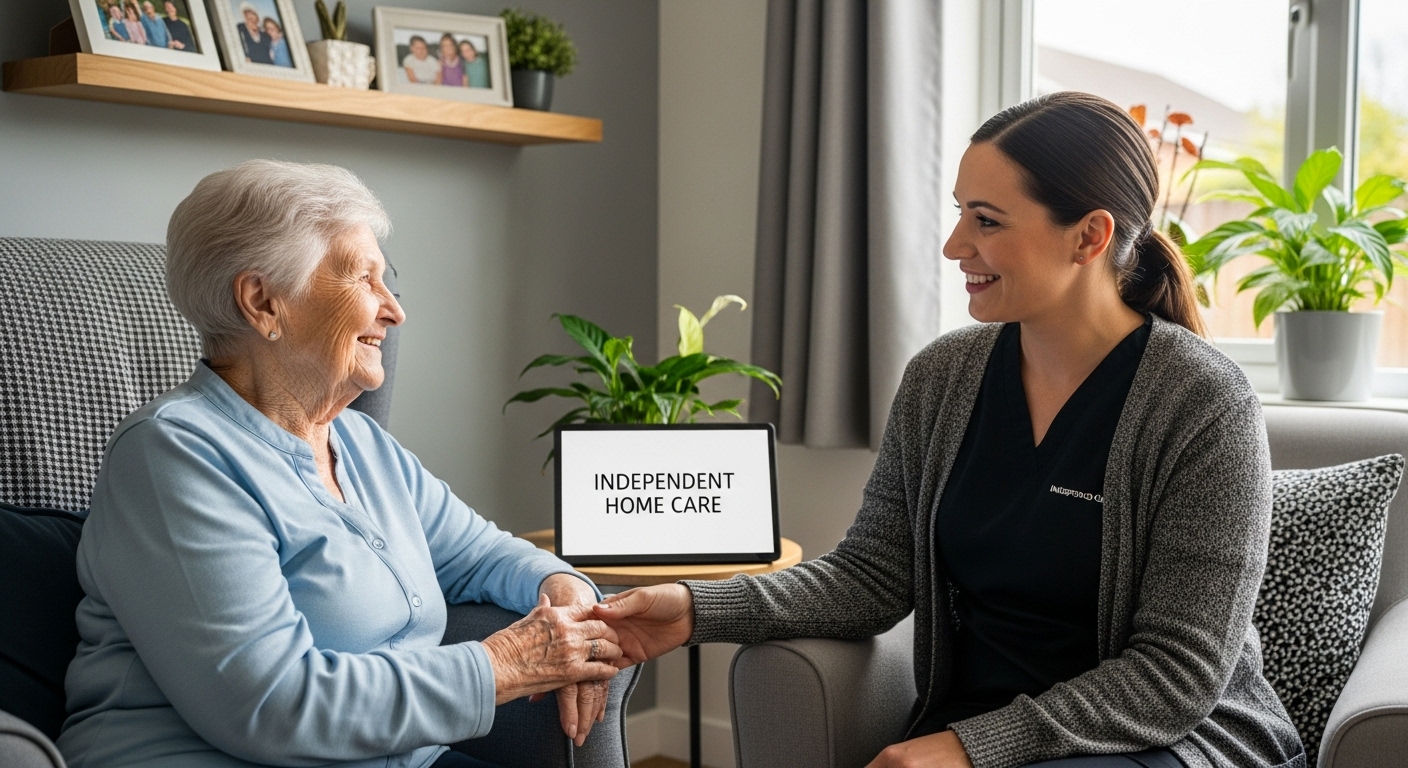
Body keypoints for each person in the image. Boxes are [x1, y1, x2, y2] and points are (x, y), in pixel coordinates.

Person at [595, 92, 1305, 768]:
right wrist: (691, 609)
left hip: (1168, 741)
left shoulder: (1203, 403)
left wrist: (974, 748)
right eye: (960, 213)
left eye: (987, 221)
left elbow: (1175, 676)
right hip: (978, 727)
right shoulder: (943, 376)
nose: (953, 245)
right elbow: (872, 575)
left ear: (1089, 236)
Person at [56, 160, 623, 768]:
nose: (393, 311)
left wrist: (563, 593)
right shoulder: (175, 455)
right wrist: (506, 663)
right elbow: (272, 704)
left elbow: (483, 554)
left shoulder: (360, 443)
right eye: (364, 279)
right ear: (263, 302)